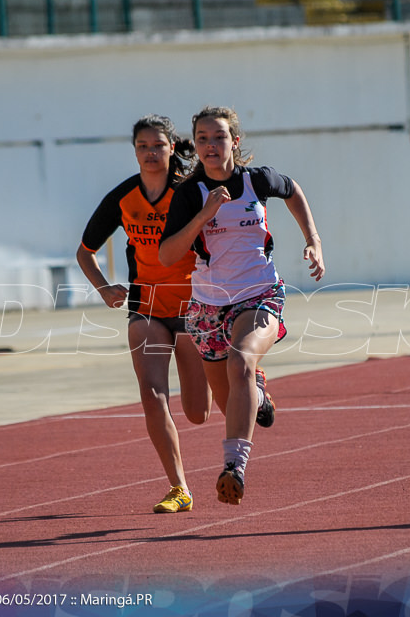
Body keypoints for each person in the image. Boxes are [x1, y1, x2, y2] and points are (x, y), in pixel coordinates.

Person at [159, 106, 325, 505]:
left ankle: (234, 468)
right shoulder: (189, 194)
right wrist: (204, 215)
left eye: (218, 137)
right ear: (195, 146)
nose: (210, 146)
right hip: (208, 306)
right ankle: (260, 396)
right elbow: (167, 255)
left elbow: (294, 190)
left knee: (241, 362)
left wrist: (313, 240)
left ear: (234, 141)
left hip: (259, 293)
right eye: (202, 139)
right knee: (227, 395)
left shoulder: (257, 180)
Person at [76, 114, 212, 514]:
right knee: (152, 395)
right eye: (143, 147)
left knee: (198, 413)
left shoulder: (190, 193)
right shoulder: (123, 197)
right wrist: (104, 288)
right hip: (146, 308)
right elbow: (85, 252)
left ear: (172, 147)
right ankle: (179, 487)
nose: (151, 153)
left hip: (192, 308)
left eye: (158, 146)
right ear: (134, 151)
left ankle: (251, 373)